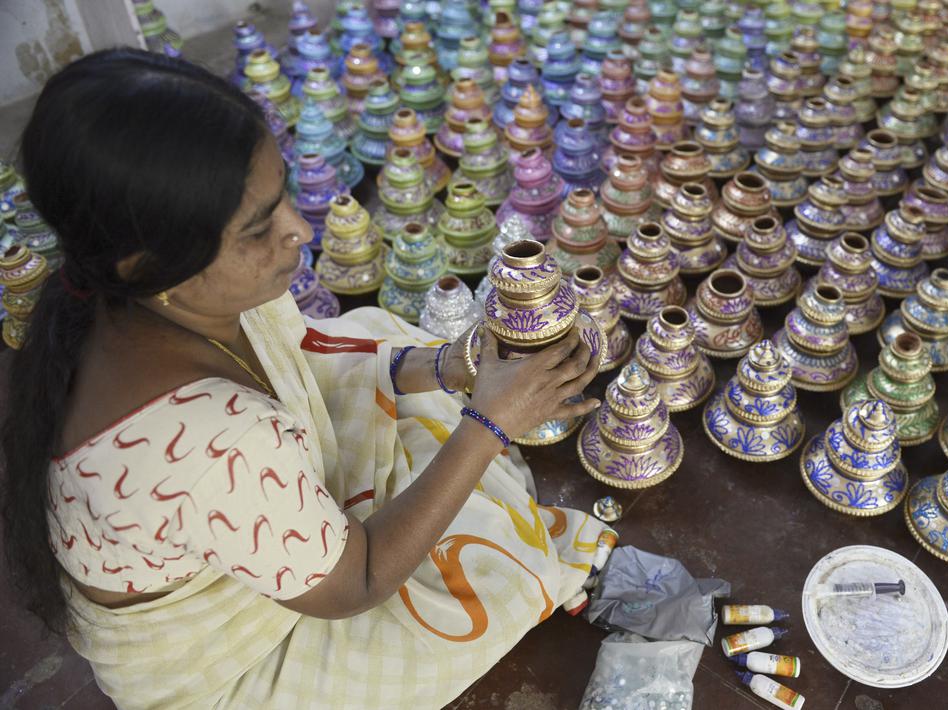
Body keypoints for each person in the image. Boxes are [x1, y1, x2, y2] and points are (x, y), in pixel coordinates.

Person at [0, 48, 605, 709]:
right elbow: (358, 583)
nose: (296, 231)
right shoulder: (217, 442)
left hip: (243, 493)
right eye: (259, 228)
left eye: (282, 192)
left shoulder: (143, 299)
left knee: (381, 336)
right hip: (236, 665)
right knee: (499, 580)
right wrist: (488, 426)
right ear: (145, 260)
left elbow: (304, 359)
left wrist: (447, 367)